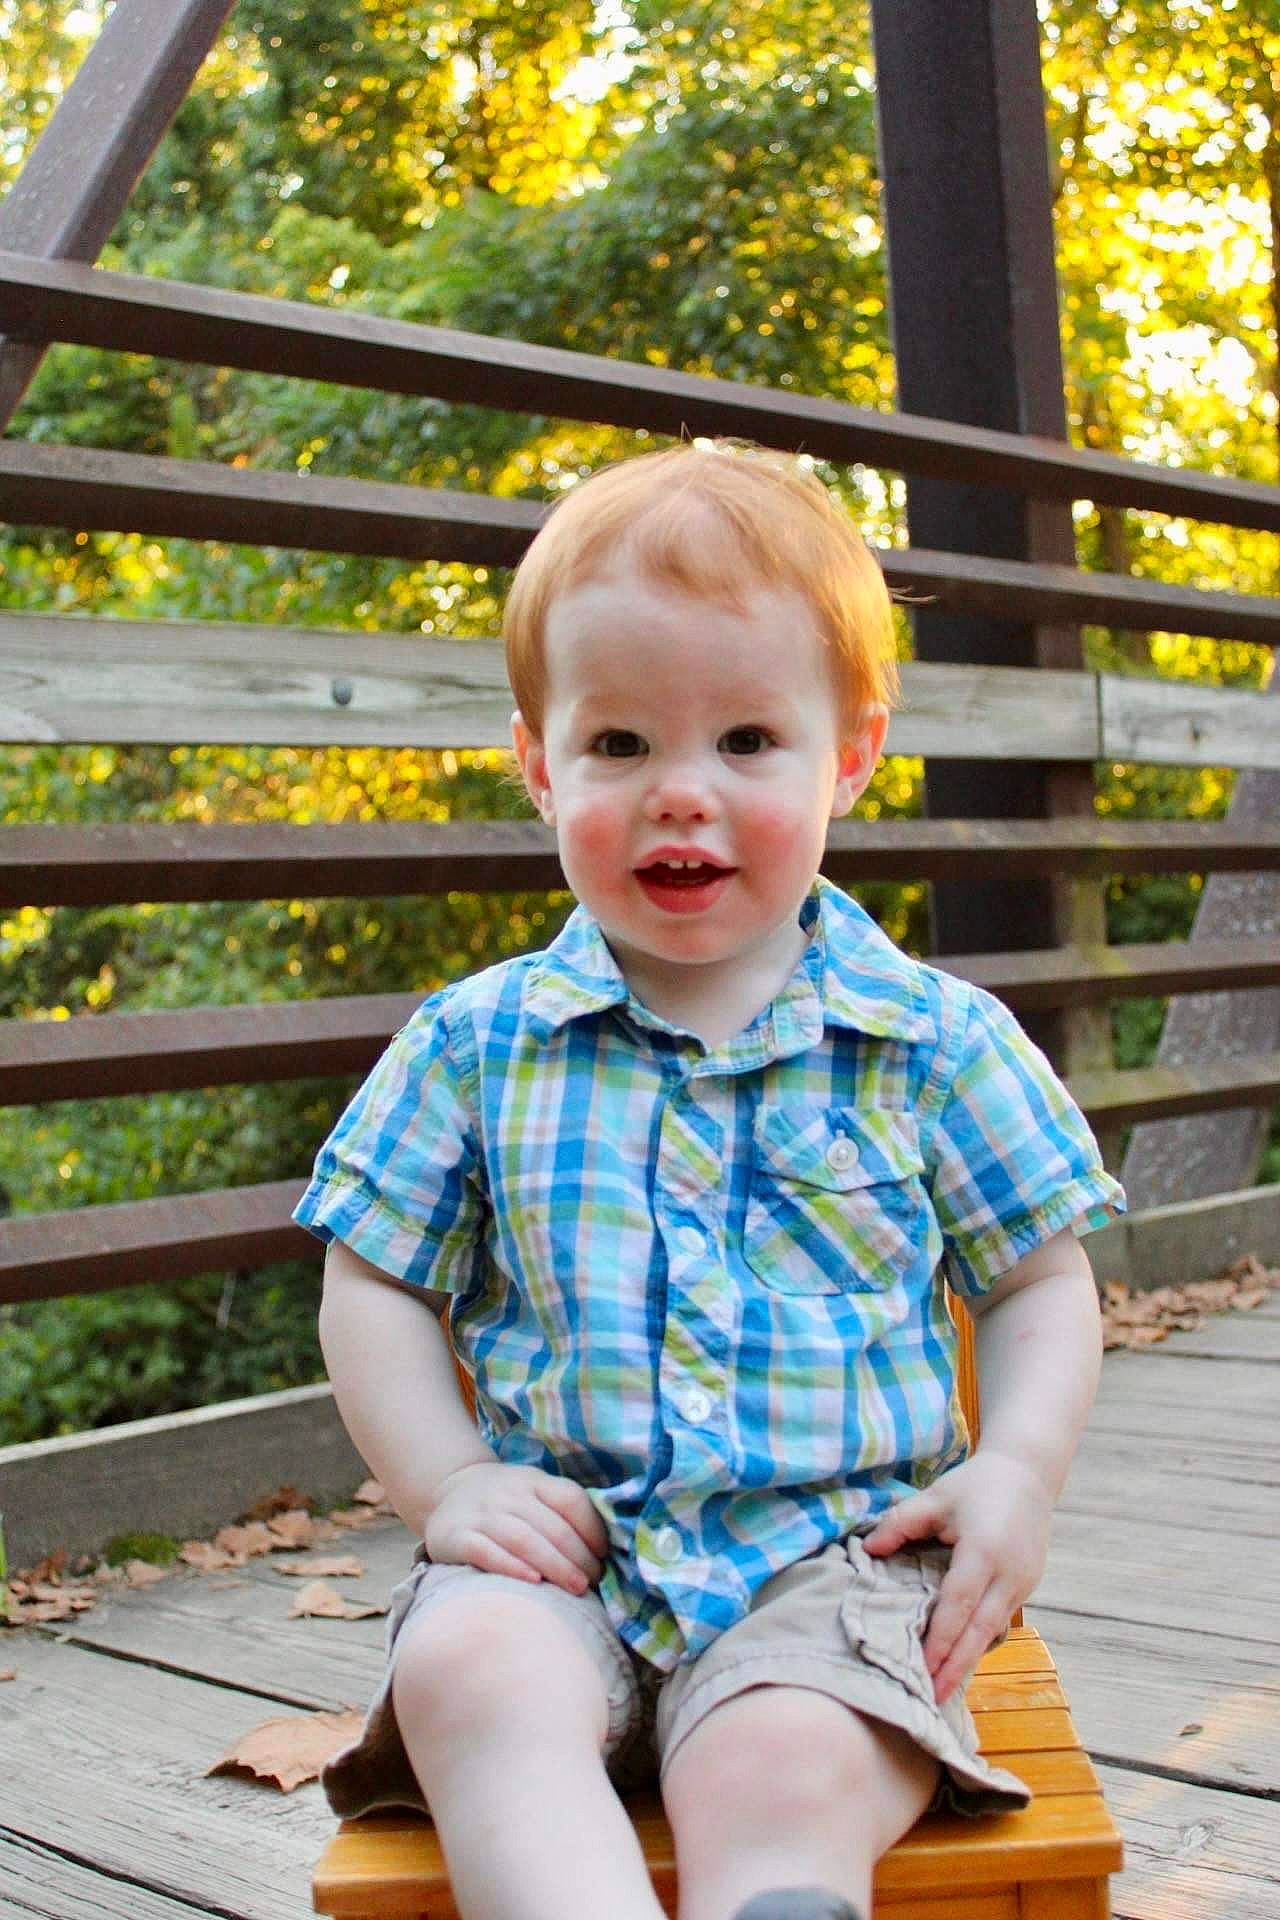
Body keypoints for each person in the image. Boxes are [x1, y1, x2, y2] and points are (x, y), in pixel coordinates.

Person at [295, 440, 1123, 1920]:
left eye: (748, 740)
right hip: (563, 1559)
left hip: (831, 1567)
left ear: (850, 756)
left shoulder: (930, 1042)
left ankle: (783, 1895)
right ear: (542, 763)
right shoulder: (478, 1046)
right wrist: (454, 1483)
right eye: (619, 747)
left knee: (790, 1757)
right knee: (471, 1675)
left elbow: (1040, 1277)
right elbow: (371, 1285)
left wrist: (1016, 1471)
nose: (684, 794)